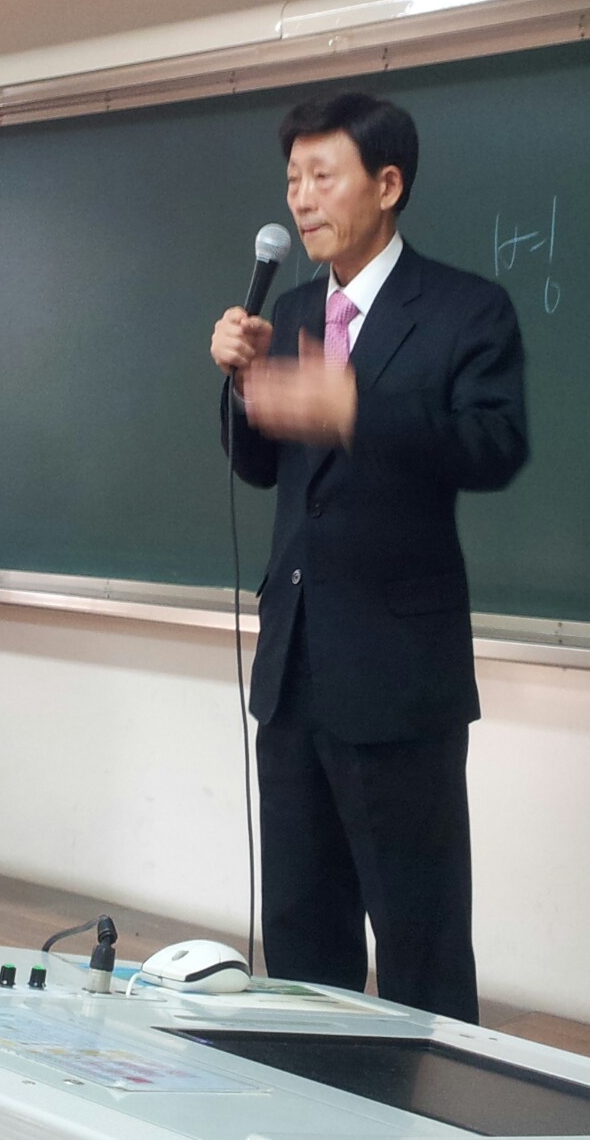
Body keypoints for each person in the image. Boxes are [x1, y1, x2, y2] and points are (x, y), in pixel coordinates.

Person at [209, 91, 529, 1021]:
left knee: (420, 939)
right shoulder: (294, 310)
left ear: (387, 185)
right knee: (301, 940)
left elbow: (494, 447)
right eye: (292, 180)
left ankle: (436, 1108)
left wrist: (354, 408)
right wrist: (241, 386)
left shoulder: (467, 308)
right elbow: (261, 468)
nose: (301, 199)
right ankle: (313, 1101)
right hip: (294, 671)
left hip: (398, 677)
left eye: (323, 176)